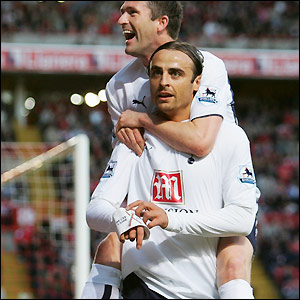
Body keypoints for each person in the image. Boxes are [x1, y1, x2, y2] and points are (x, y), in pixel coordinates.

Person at [82, 1, 257, 299]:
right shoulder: (118, 86)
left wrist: (139, 118)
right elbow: (132, 149)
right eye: (157, 74)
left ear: (161, 22)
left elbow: (201, 141)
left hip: (211, 187)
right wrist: (123, 217)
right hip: (159, 191)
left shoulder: (208, 64)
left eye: (132, 12)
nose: (120, 18)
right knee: (110, 244)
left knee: (233, 257)